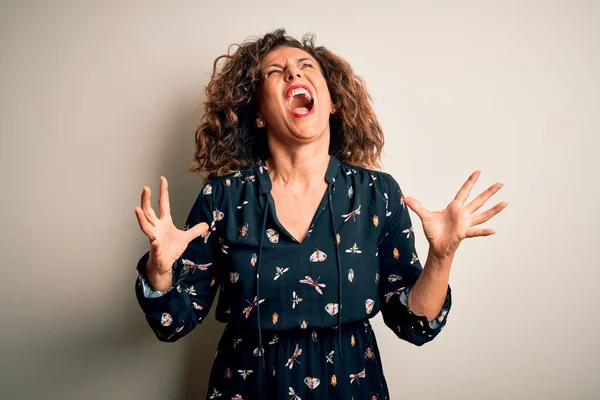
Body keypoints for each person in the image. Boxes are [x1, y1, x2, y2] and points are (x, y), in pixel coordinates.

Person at [133, 28, 507, 399]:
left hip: (351, 385)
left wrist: (441, 257)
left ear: (333, 102)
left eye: (305, 65)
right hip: (248, 388)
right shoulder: (223, 197)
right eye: (275, 71)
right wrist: (161, 271)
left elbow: (414, 324)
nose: (293, 73)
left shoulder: (378, 195)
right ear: (259, 112)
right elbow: (173, 323)